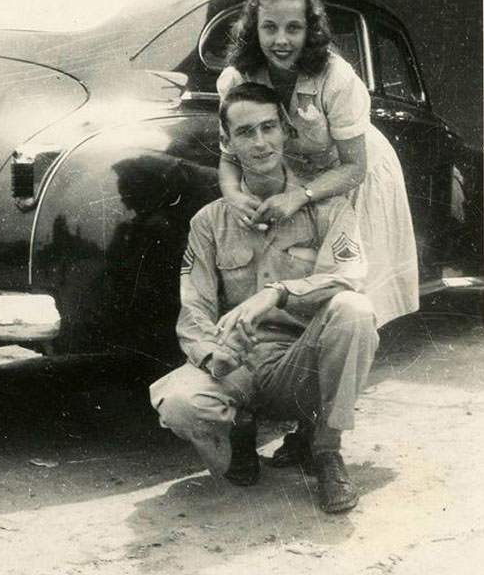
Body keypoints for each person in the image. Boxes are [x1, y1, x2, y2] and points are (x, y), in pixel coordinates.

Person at [149, 83, 379, 513]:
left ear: (287, 131)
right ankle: (241, 431)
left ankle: (326, 449)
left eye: (269, 128)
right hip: (238, 363)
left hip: (300, 361)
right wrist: (212, 354)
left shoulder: (329, 208)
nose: (259, 142)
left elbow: (349, 278)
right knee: (180, 404)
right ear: (227, 142)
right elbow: (193, 307)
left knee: (354, 310)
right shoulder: (209, 221)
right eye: (245, 132)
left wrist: (278, 294)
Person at [217, 0, 419, 335]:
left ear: (310, 30)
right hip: (300, 175)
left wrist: (301, 195)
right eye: (269, 27)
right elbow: (229, 154)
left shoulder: (337, 78)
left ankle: (351, 355)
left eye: (293, 28)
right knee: (298, 266)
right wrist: (231, 192)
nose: (281, 40)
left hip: (354, 173)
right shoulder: (236, 78)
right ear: (253, 28)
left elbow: (354, 166)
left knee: (351, 280)